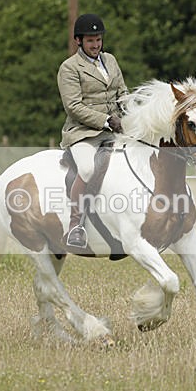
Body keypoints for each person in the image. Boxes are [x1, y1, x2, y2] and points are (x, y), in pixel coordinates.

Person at [58, 13, 128, 248]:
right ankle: (76, 226)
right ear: (79, 41)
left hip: (115, 130)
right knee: (87, 169)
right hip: (82, 133)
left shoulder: (111, 60)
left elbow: (122, 93)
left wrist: (131, 112)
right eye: (90, 40)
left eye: (98, 39)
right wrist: (107, 120)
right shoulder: (69, 68)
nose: (96, 44)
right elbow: (74, 107)